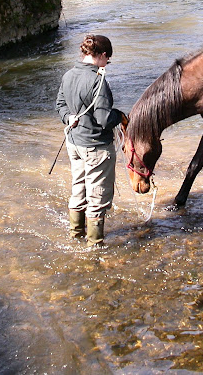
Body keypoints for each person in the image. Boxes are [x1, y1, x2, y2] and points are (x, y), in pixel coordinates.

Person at [55, 34, 126, 246]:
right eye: (108, 60)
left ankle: (75, 237)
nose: (107, 64)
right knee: (97, 197)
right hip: (96, 147)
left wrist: (69, 118)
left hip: (73, 144)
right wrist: (120, 116)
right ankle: (94, 247)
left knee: (78, 189)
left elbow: (60, 105)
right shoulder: (98, 80)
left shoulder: (68, 75)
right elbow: (104, 119)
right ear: (102, 56)